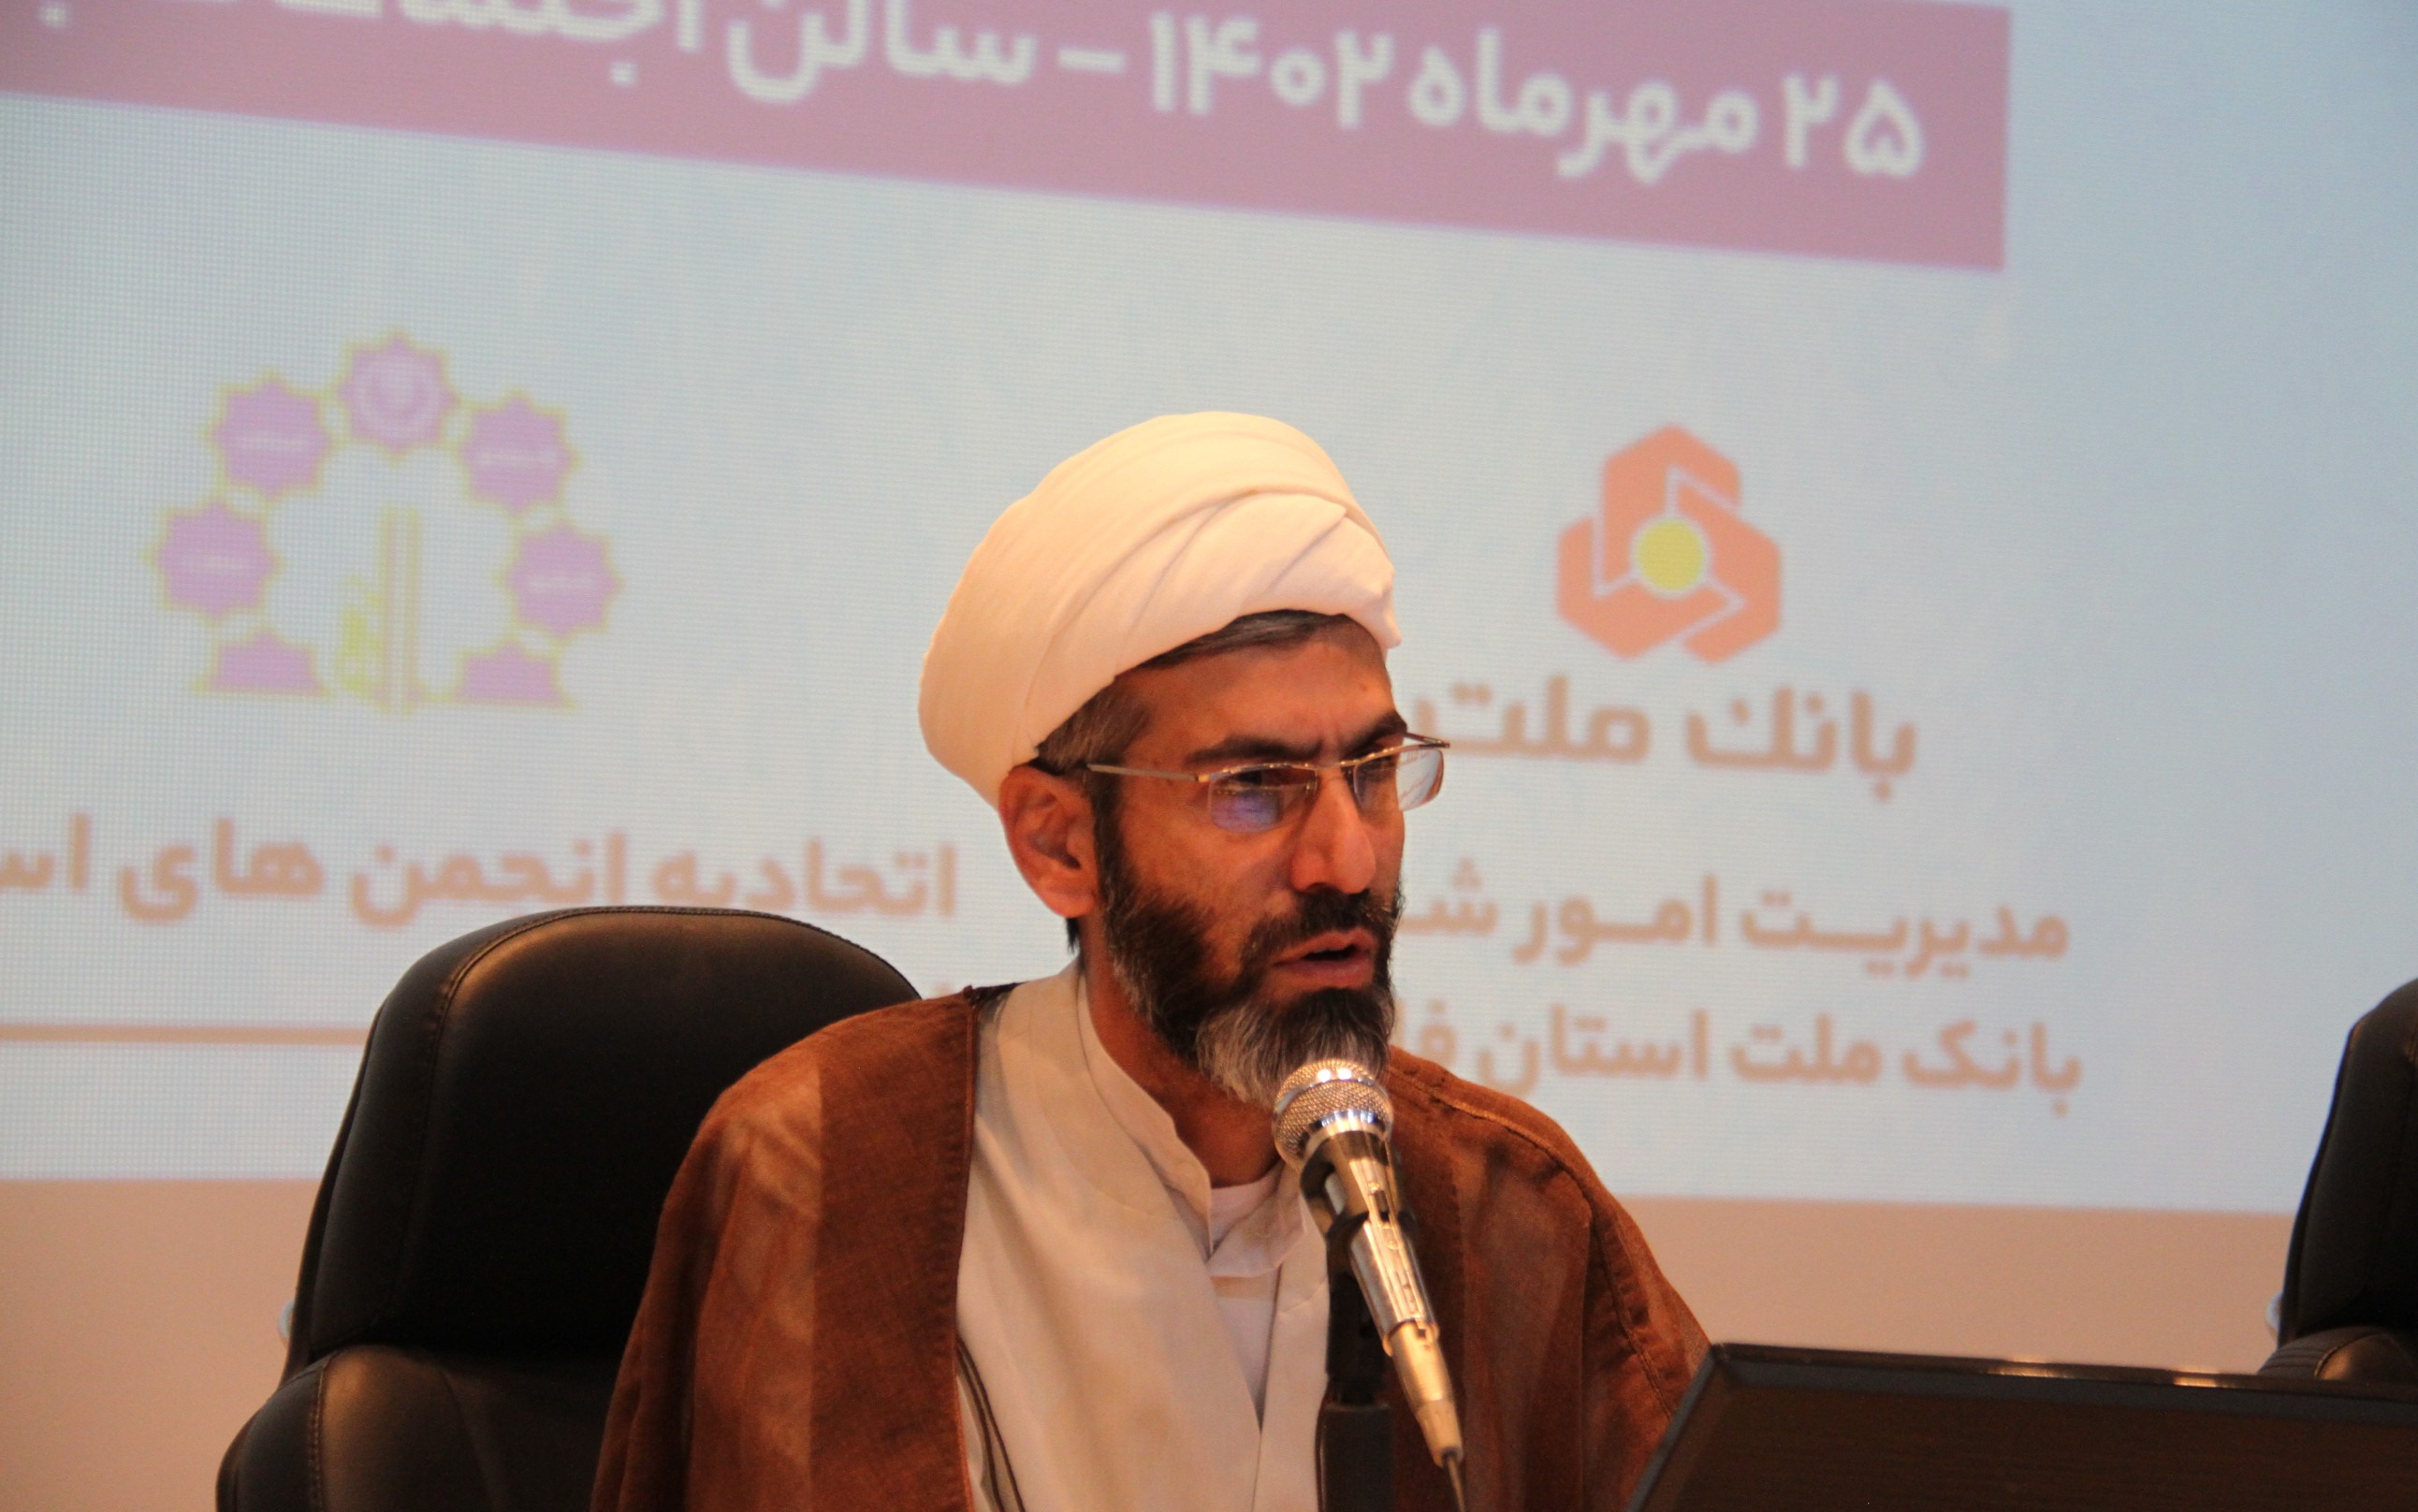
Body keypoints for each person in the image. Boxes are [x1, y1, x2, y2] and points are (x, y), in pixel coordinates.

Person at [592, 413, 1705, 1512]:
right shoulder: (829, 1165)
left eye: (1372, 770)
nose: (1347, 858)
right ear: (1059, 845)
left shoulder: (1508, 1206)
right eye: (1254, 787)